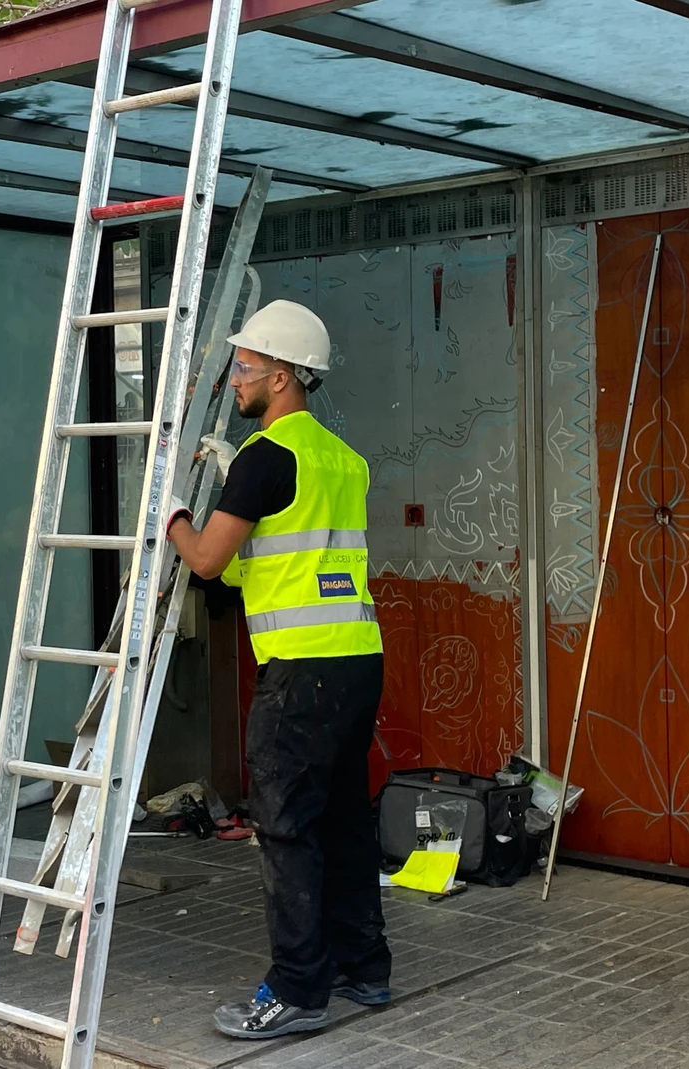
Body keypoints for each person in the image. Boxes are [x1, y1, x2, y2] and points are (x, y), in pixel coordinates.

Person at [164, 301, 390, 1039]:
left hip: (299, 676)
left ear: (284, 376)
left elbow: (205, 559)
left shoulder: (265, 458)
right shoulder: (342, 458)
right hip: (356, 663)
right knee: (346, 818)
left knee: (287, 828)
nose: (234, 382)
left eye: (246, 368)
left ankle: (297, 988)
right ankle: (366, 966)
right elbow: (279, 564)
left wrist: (170, 514)